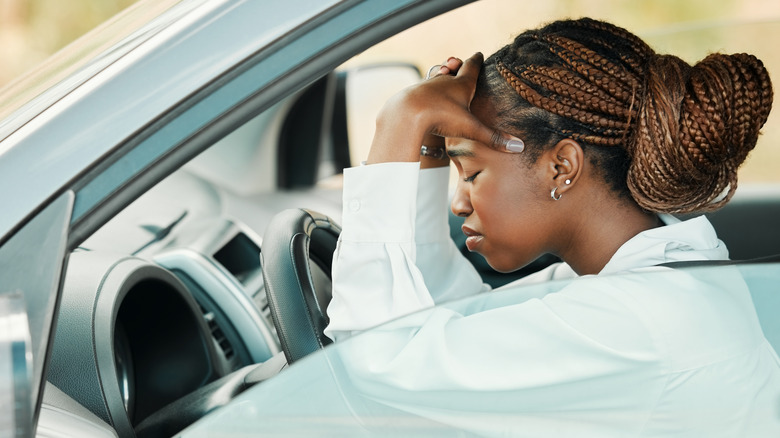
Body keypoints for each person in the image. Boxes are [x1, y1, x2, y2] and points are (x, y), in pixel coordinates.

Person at [324, 18, 780, 436]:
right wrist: (425, 148)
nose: (459, 203)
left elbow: (378, 359)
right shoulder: (646, 284)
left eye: (473, 174)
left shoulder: (637, 320)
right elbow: (447, 323)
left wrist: (398, 122)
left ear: (562, 166)